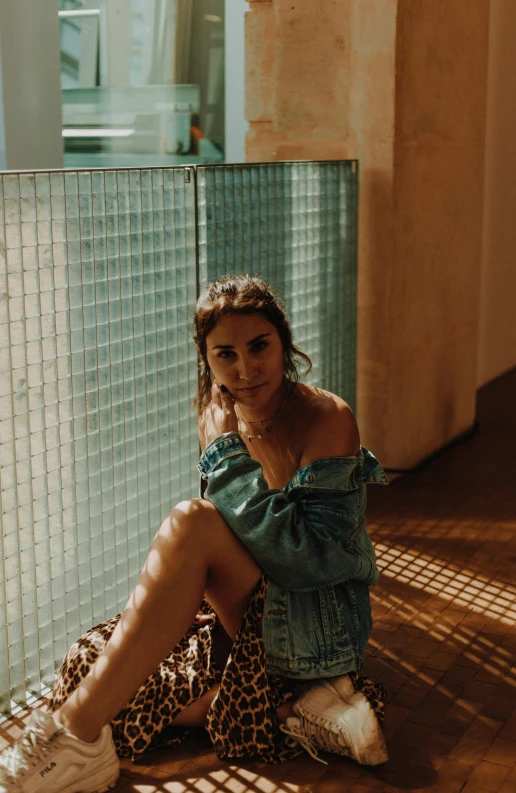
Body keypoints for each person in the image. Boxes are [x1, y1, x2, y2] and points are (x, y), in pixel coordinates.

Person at [0, 275, 388, 793]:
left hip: (319, 622)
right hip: (249, 619)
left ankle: (75, 736)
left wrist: (225, 458)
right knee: (86, 663)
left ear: (284, 342)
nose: (246, 370)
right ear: (206, 359)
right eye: (225, 354)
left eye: (259, 347)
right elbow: (235, 542)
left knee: (190, 520)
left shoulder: (326, 418)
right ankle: (291, 704)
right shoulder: (220, 417)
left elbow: (308, 561)